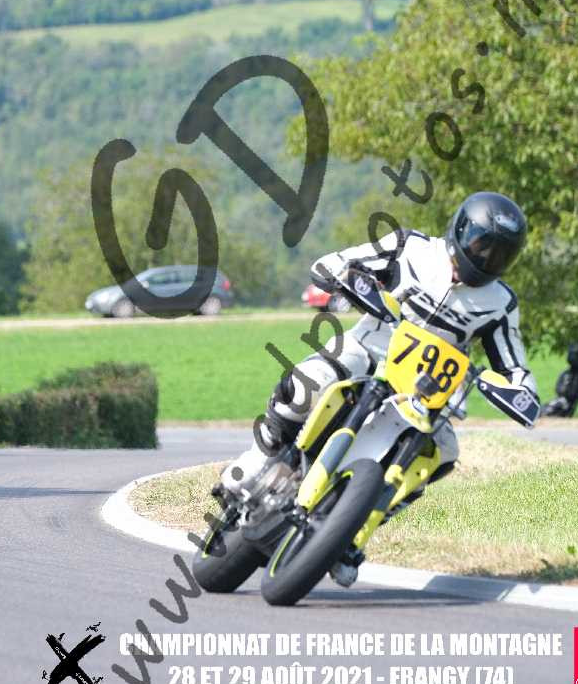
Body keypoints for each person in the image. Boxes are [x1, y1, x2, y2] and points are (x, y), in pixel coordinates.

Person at [225, 192, 540, 578]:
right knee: (309, 384)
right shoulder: (410, 247)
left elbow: (515, 365)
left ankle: (352, 533)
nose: (486, 257)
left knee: (443, 452)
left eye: (500, 254)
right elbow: (336, 262)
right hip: (368, 351)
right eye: (481, 244)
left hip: (422, 392)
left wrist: (522, 393)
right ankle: (258, 459)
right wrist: (346, 277)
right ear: (460, 230)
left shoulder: (501, 303)